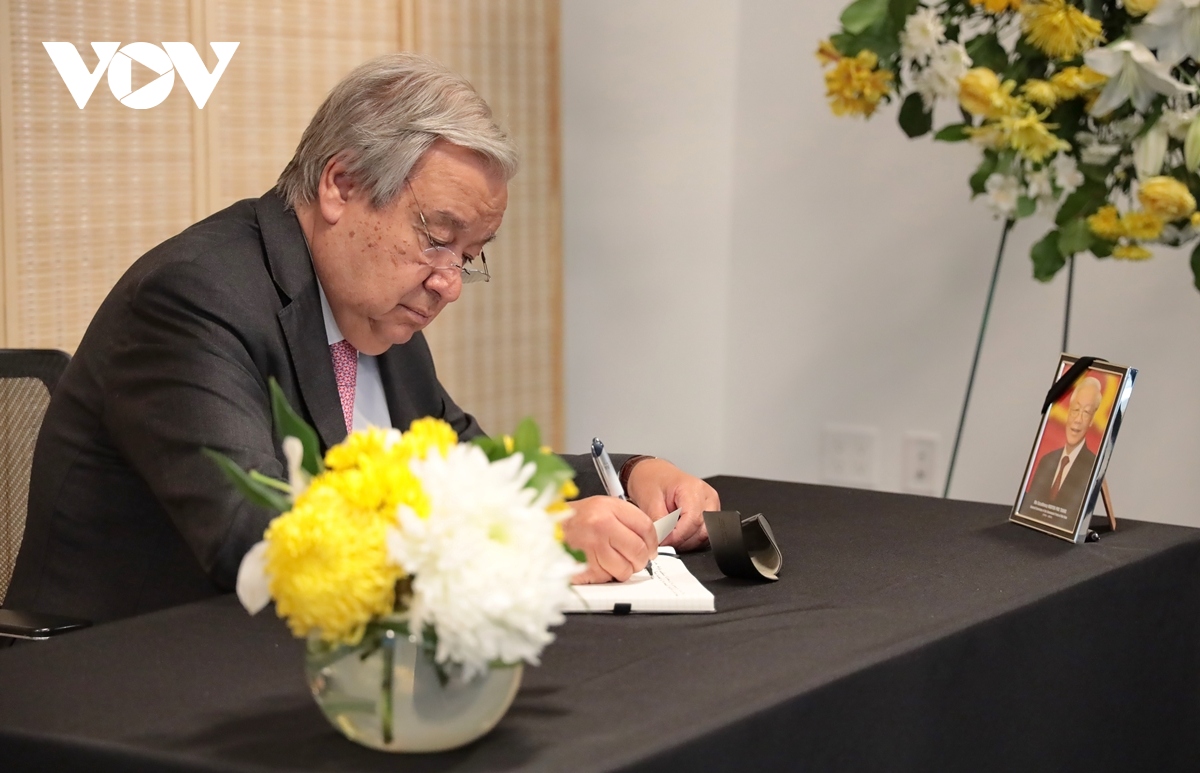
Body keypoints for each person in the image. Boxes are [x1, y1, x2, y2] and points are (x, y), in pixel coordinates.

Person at [6, 53, 718, 624]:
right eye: (437, 237)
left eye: (468, 256)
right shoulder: (195, 298)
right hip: (122, 678)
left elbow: (470, 468)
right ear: (340, 185)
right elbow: (258, 539)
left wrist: (628, 477)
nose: (449, 283)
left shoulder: (375, 311)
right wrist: (529, 540)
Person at [1023, 376, 1103, 516]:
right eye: (1075, 410)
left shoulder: (1092, 466)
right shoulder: (1046, 461)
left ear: (1092, 420)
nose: (1078, 420)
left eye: (1086, 412)